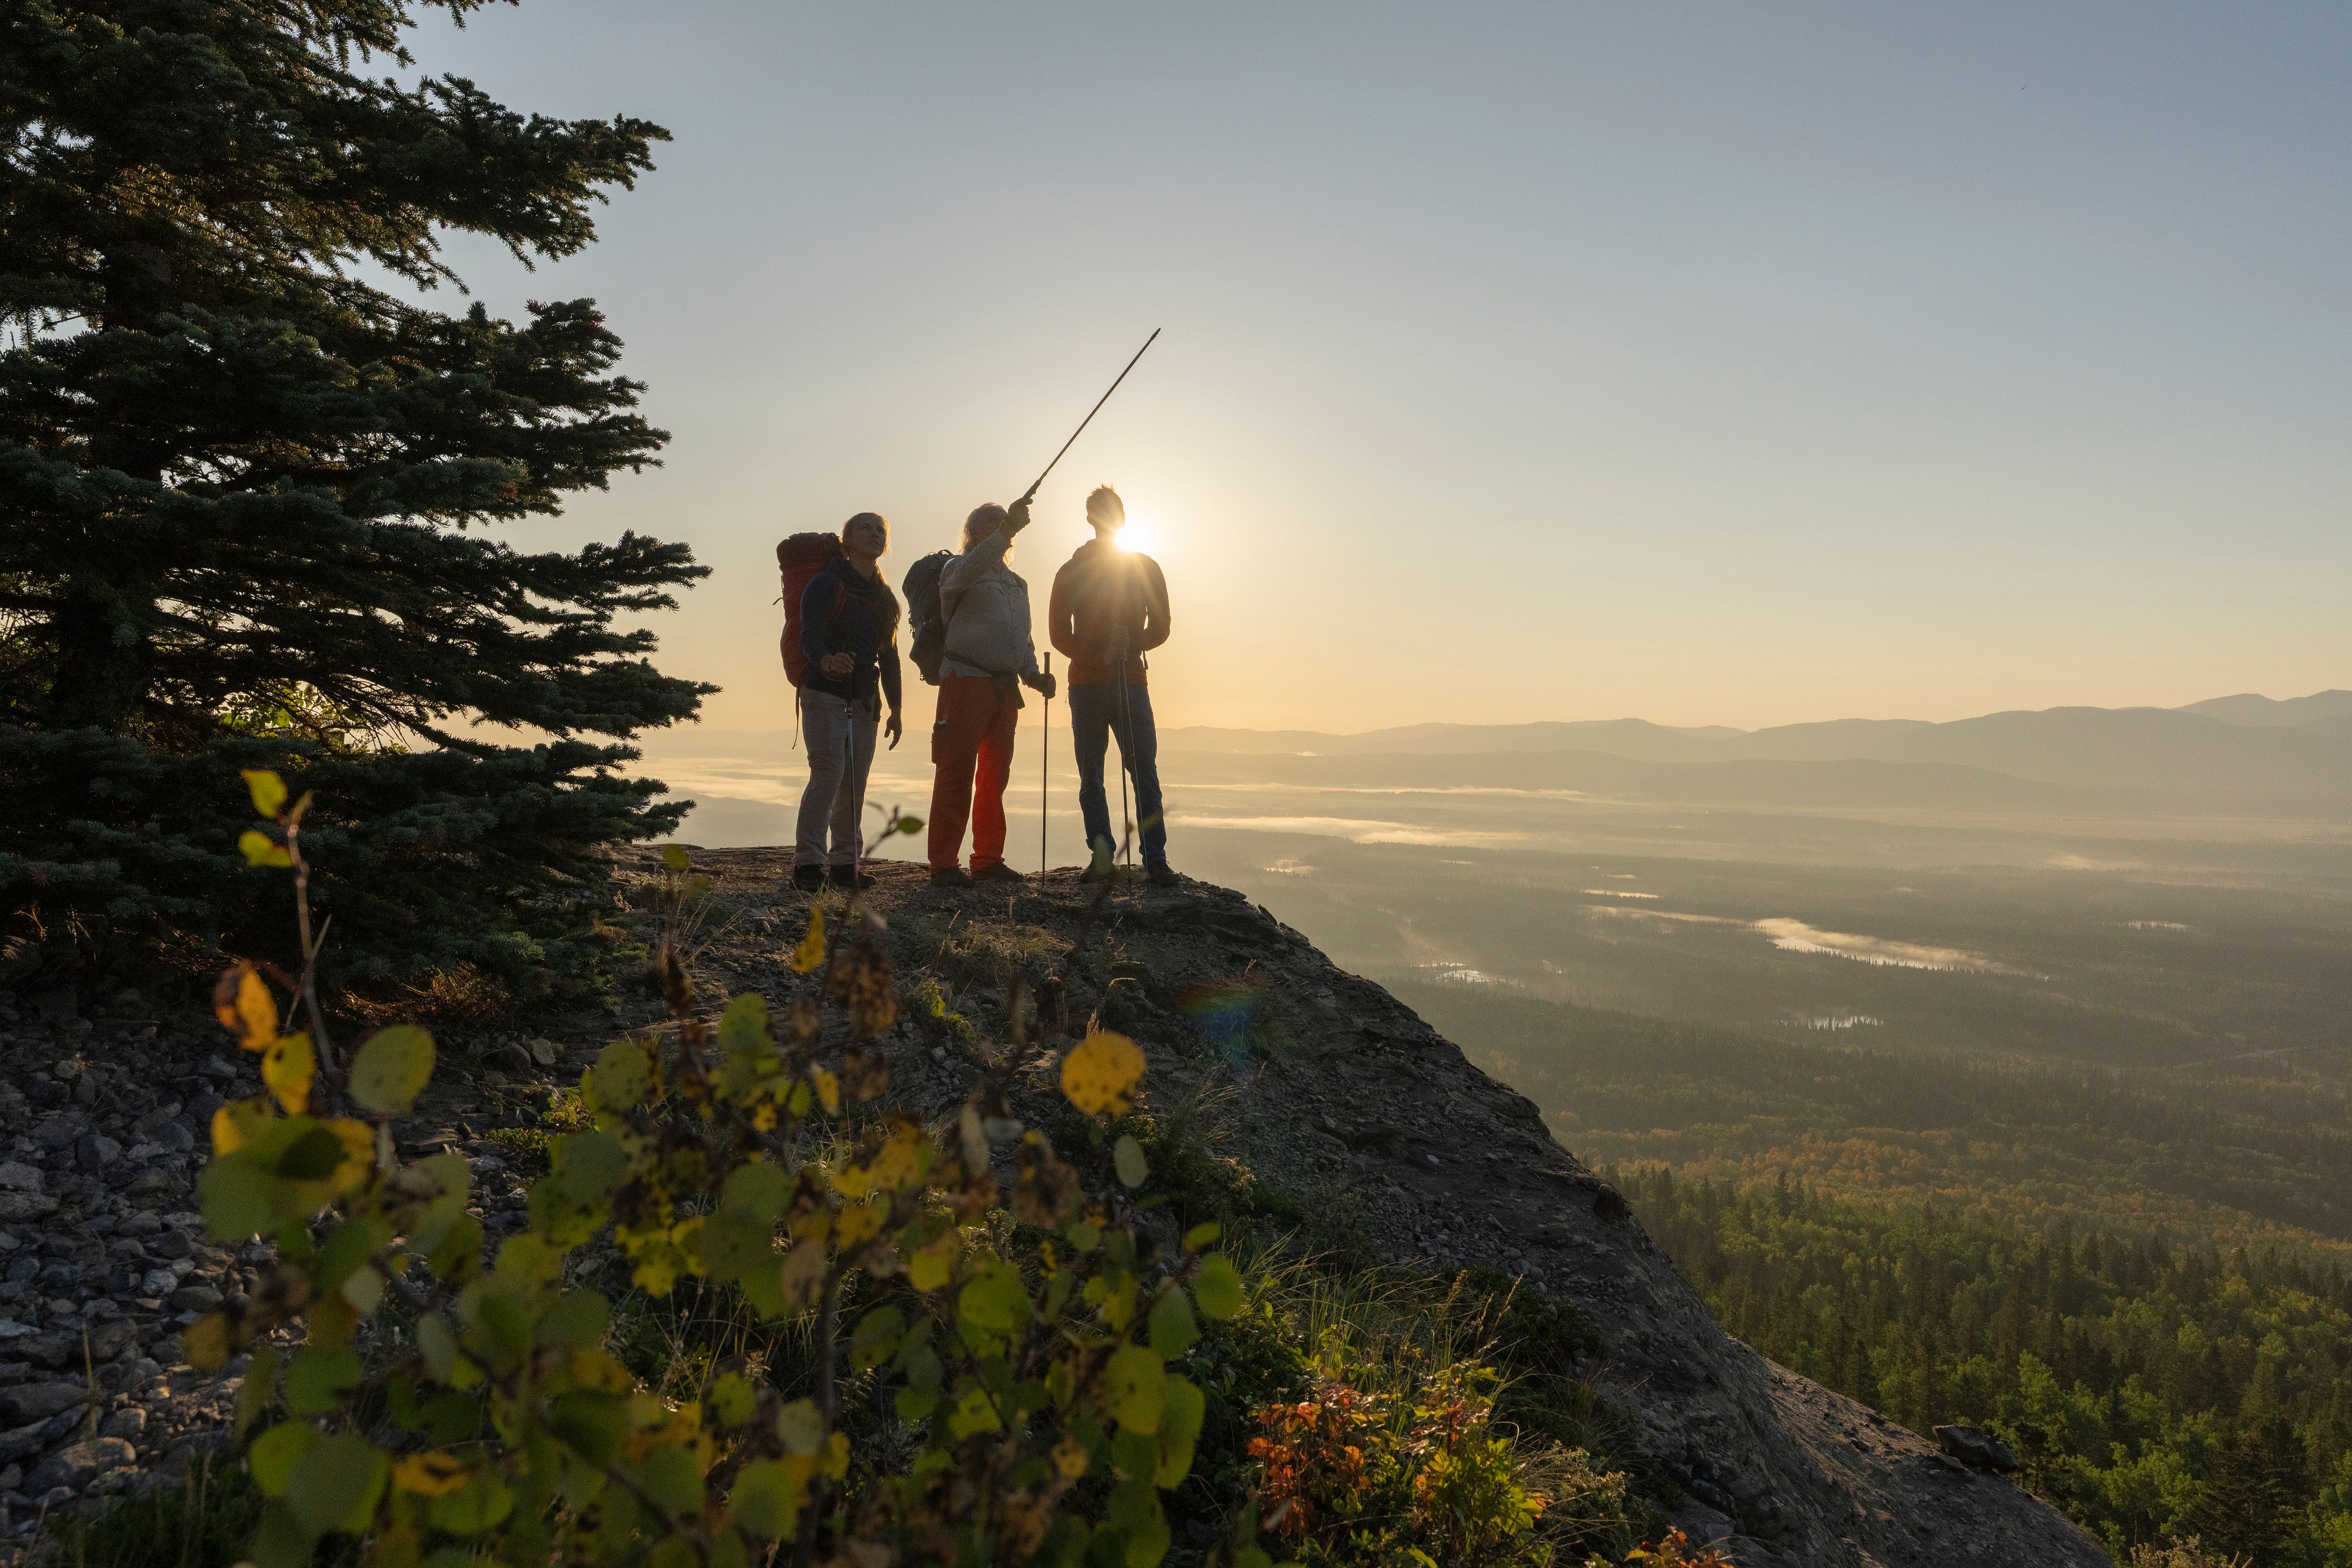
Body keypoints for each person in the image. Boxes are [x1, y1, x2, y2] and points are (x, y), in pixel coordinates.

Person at [1048, 484, 1175, 885]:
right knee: (1094, 776)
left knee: (1142, 772)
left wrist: (1131, 644)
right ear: (1091, 518)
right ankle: (1106, 858)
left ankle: (1154, 858)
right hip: (1096, 682)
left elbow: (1162, 625)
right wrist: (1103, 654)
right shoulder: (1072, 571)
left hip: (1125, 680)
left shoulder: (1143, 567)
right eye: (1101, 511)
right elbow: (1057, 633)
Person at [927, 497, 1055, 886]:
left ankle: (987, 858)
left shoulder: (1017, 584)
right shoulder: (957, 570)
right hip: (965, 679)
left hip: (1002, 686)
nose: (1006, 529)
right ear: (975, 533)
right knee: (957, 770)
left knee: (995, 776)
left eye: (1006, 524)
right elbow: (972, 568)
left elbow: (1023, 636)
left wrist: (1032, 675)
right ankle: (944, 863)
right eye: (994, 524)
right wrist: (1006, 531)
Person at [794, 511, 903, 892]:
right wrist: (826, 659)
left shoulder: (886, 597)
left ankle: (845, 864)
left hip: (865, 699)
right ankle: (808, 865)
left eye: (881, 531)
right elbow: (809, 636)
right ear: (847, 540)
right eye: (866, 529)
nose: (875, 535)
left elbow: (889, 654)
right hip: (823, 692)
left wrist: (897, 708)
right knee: (828, 775)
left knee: (854, 782)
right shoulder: (826, 583)